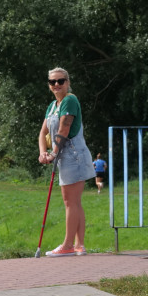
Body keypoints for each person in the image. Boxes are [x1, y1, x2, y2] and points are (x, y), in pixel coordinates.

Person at [37, 67, 96, 256]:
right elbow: (43, 132)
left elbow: (64, 128)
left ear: (67, 82)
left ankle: (68, 245)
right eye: (52, 82)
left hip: (73, 155)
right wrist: (42, 152)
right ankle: (79, 245)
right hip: (63, 156)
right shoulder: (53, 105)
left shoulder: (70, 100)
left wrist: (53, 153)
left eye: (60, 81)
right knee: (74, 202)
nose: (56, 85)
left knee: (70, 202)